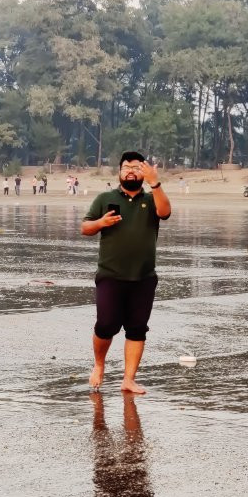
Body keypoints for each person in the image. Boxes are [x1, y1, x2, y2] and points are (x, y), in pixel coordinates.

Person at [81, 150, 172, 394]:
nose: (130, 170)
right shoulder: (104, 198)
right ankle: (99, 365)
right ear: (119, 172)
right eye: (126, 167)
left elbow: (165, 212)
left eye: (136, 167)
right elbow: (85, 227)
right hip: (110, 274)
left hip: (144, 277)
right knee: (106, 324)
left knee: (137, 328)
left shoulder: (153, 198)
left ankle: (128, 380)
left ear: (144, 172)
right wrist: (101, 223)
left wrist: (155, 182)